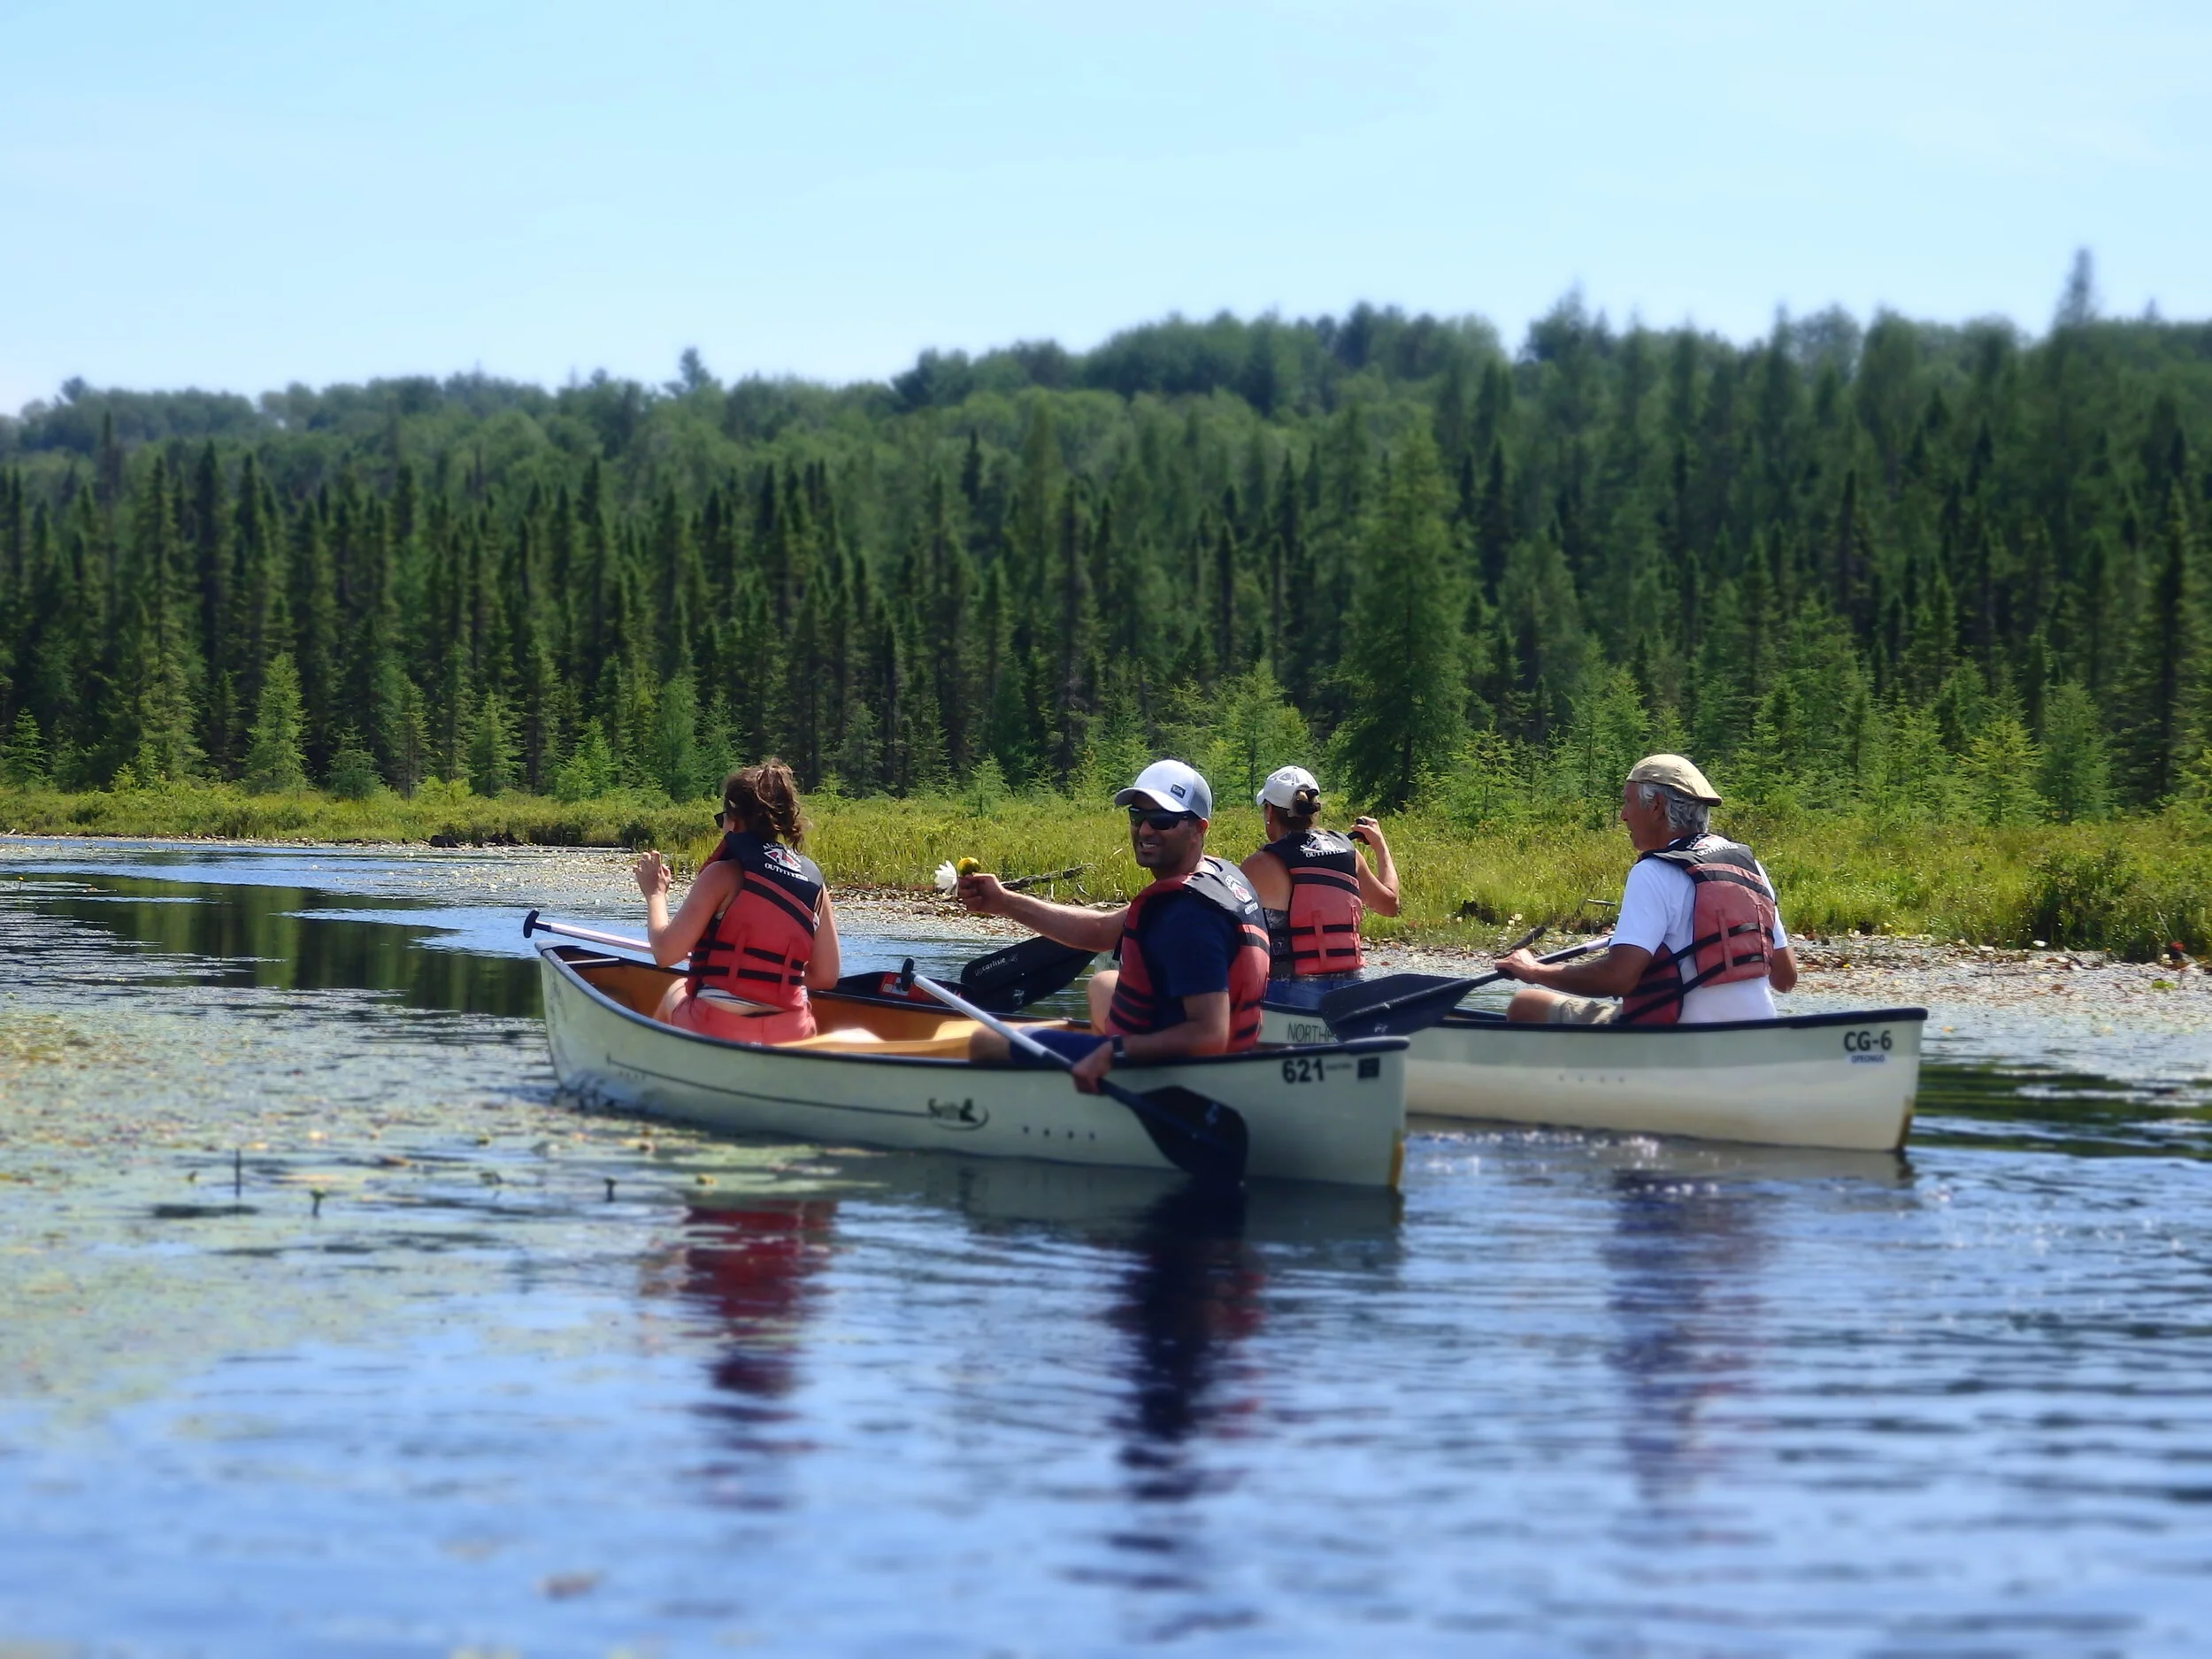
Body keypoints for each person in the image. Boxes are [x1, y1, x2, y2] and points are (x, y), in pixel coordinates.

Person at [956, 758, 1271, 1094]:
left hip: (1178, 1073)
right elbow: (1100, 932)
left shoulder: (1187, 915)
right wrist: (1003, 902)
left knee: (985, 1040)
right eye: (1138, 816)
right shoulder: (1216, 877)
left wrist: (1114, 1050)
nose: (1146, 830)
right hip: (1211, 1050)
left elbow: (1209, 1035)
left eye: (1162, 821)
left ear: (1199, 829)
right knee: (1103, 983)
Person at [1497, 753, 1797, 1025]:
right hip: (1755, 1033)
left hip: (1677, 1040)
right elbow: (1785, 978)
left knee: (1526, 1004)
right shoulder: (1749, 866)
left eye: (1627, 802)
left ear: (1656, 806)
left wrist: (1532, 970)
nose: (1623, 816)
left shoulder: (1653, 871)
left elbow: (1618, 978)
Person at [633, 758, 842, 1044]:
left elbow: (666, 953)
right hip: (791, 1030)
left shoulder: (723, 875)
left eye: (722, 819)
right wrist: (770, 979)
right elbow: (827, 976)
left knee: (676, 990)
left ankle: (654, 1070)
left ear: (735, 820)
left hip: (717, 1025)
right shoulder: (815, 885)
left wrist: (656, 894)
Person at [1239, 764, 1399, 1002]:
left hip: (1290, 992)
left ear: (1270, 812)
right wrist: (1380, 846)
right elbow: (1390, 905)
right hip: (1351, 987)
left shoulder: (1260, 864)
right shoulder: (1349, 853)